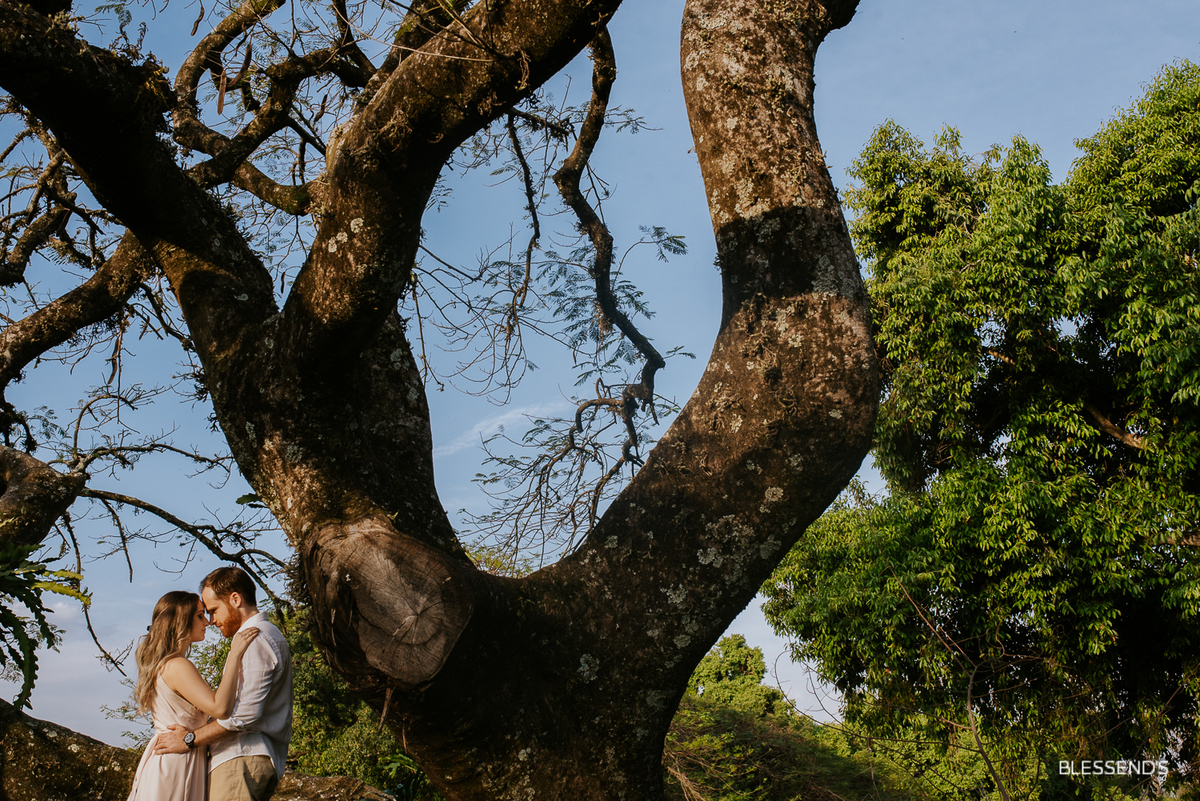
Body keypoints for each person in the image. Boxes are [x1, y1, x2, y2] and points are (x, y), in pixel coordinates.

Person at [154, 566, 293, 801]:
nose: (211, 620)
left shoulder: (254, 639)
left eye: (214, 610)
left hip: (241, 758)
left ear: (235, 599)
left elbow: (244, 716)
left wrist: (190, 739)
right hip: (242, 759)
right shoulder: (259, 636)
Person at [127, 591, 260, 801]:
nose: (207, 622)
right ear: (181, 620)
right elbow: (220, 709)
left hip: (176, 758)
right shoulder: (178, 665)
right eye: (200, 615)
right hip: (176, 762)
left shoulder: (167, 664)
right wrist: (235, 654)